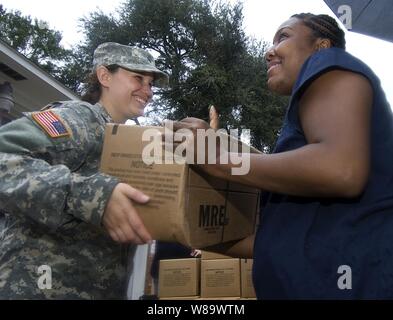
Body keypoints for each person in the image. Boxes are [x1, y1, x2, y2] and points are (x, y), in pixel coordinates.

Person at [170, 13, 393, 299]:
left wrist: (218, 159)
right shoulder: (304, 140)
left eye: (284, 36)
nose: (269, 51)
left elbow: (341, 170)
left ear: (322, 46)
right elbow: (277, 241)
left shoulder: (328, 62)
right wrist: (178, 224)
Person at [0, 42, 168, 299]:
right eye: (138, 78)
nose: (148, 91)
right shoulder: (79, 119)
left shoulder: (126, 140)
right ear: (104, 76)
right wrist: (93, 196)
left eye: (151, 83)